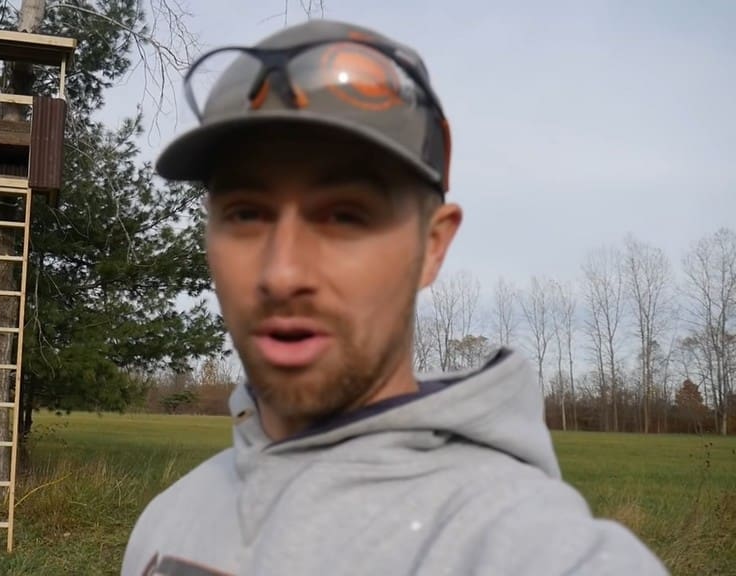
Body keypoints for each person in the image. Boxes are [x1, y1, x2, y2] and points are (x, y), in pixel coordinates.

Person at [122, 18, 669, 576]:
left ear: (433, 246)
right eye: (245, 213)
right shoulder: (168, 523)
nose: (281, 274)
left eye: (344, 216)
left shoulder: (525, 546)